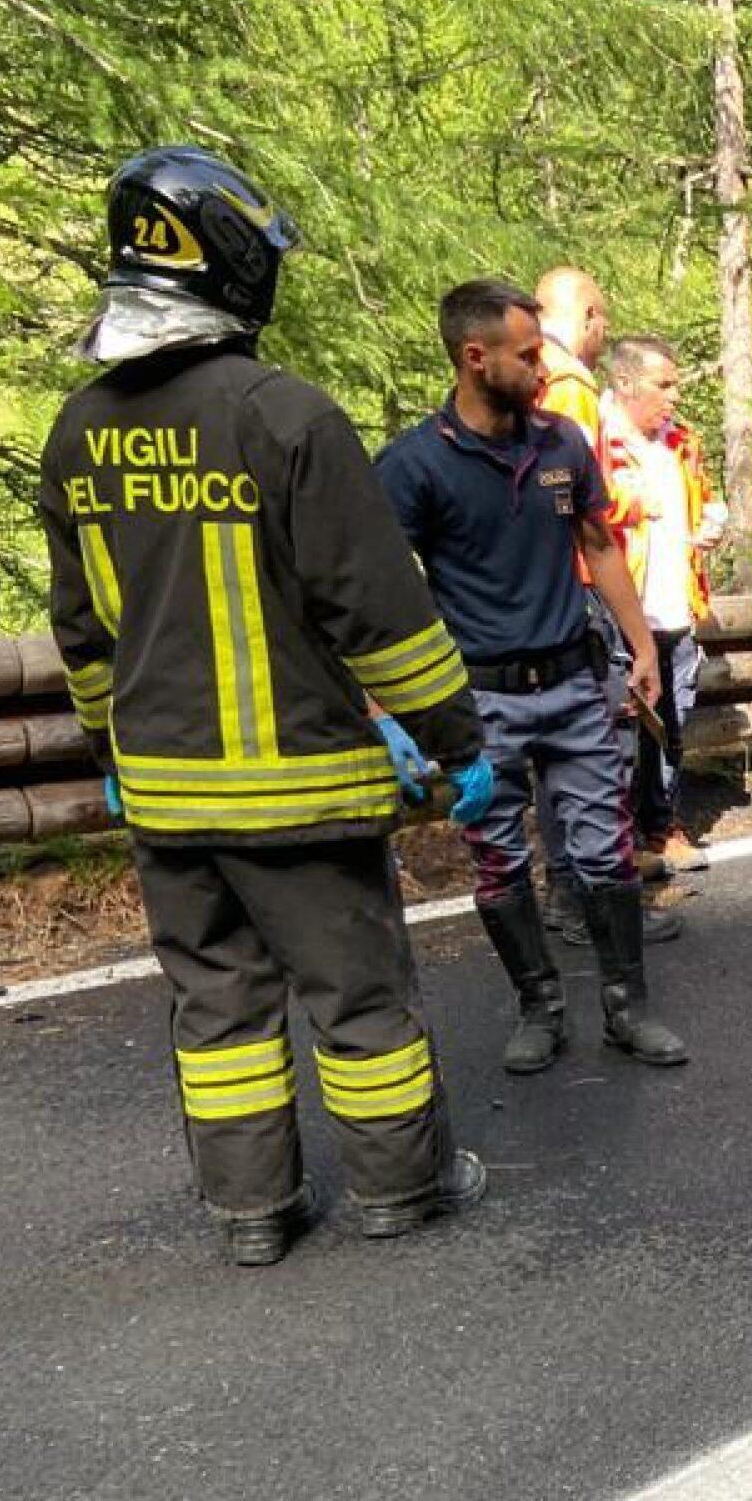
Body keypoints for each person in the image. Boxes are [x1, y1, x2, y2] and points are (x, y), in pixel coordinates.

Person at [39, 146, 492, 1266]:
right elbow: (375, 610)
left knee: (219, 1011)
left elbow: (80, 629)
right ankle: (400, 1187)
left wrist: (110, 744)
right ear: (233, 266)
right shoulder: (284, 416)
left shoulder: (77, 430)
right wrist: (456, 740)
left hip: (164, 799)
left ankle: (252, 1213)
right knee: (358, 998)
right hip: (301, 793)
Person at [376, 279, 690, 1074]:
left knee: (605, 856)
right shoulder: (413, 466)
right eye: (526, 355)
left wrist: (641, 645)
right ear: (475, 359)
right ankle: (539, 1008)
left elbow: (599, 543)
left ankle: (627, 1010)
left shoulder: (560, 443)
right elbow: (379, 590)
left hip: (578, 686)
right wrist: (388, 706)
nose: (542, 367)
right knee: (500, 860)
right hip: (482, 701)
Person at [529, 266, 680, 937]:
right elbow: (579, 508)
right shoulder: (568, 388)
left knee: (567, 744)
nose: (604, 333)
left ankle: (572, 894)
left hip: (542, 592)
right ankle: (600, 900)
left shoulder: (530, 381)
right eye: (603, 319)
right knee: (601, 746)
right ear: (587, 314)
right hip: (576, 590)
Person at [601, 333, 727, 870]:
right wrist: (629, 505)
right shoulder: (593, 439)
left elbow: (706, 495)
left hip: (676, 607)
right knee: (623, 731)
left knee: (672, 725)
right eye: (664, 384)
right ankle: (618, 841)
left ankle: (661, 827)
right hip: (621, 613)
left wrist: (713, 521)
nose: (674, 396)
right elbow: (585, 519)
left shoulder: (682, 441)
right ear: (626, 382)